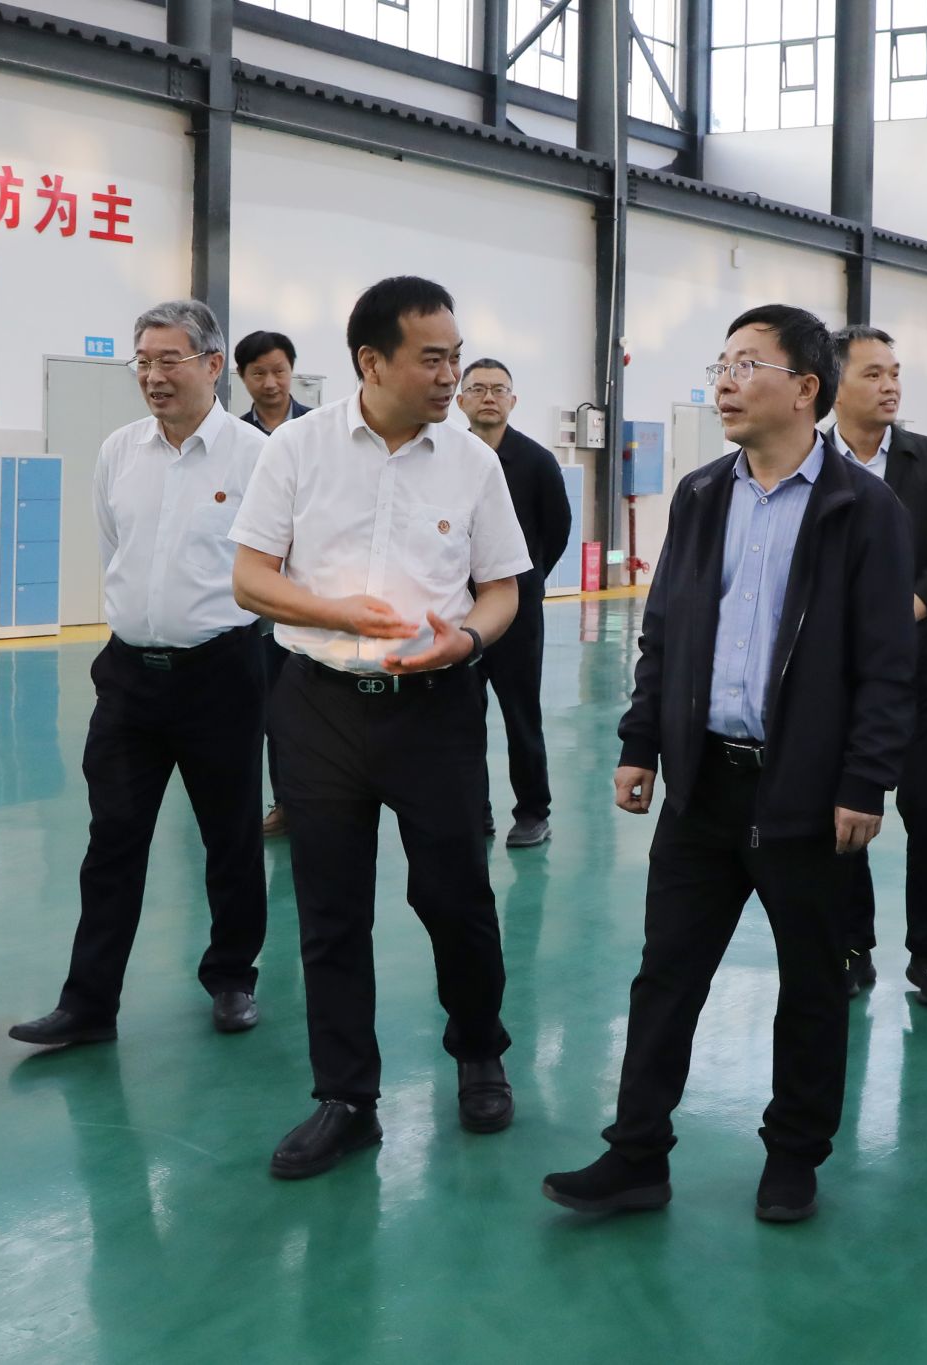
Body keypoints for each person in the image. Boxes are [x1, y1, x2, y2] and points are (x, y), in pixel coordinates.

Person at [541, 306, 917, 1223]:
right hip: (703, 780)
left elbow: (886, 662)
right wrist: (641, 741)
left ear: (806, 388)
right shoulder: (704, 492)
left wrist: (864, 779)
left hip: (808, 790)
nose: (724, 382)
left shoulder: (863, 509)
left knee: (812, 980)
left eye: (748, 364)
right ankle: (637, 1153)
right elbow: (665, 628)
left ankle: (793, 1156)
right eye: (722, 364)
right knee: (666, 972)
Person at [229, 276, 532, 1180]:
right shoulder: (297, 450)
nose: (450, 376)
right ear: (372, 360)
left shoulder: (472, 463)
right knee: (329, 909)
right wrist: (337, 612)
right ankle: (346, 1097)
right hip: (319, 703)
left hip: (434, 709)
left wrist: (466, 639)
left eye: (455, 356)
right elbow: (251, 577)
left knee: (455, 896)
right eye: (432, 358)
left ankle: (479, 1052)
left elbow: (502, 588)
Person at [9, 300, 270, 1049]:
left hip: (221, 673)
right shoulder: (119, 451)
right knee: (113, 841)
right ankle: (89, 1003)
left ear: (212, 366)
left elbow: (279, 566)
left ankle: (232, 977)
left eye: (169, 361)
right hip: (129, 678)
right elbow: (113, 548)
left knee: (230, 837)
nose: (153, 376)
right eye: (143, 362)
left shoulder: (256, 458)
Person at [827, 324, 927, 1008]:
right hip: (835, 676)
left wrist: (915, 601)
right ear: (832, 384)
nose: (890, 386)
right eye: (873, 374)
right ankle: (852, 947)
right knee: (842, 815)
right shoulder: (808, 461)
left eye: (895, 373)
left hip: (916, 671)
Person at [457, 358, 572, 849]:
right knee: (462, 716)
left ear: (513, 400)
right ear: (460, 399)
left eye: (498, 389)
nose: (489, 397)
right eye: (478, 388)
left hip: (518, 616)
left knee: (521, 716)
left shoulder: (536, 462)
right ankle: (475, 809)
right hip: (458, 611)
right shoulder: (448, 457)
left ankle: (532, 813)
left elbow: (557, 529)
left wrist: (528, 582)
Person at [235, 330, 311, 835]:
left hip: (306, 595)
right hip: (254, 600)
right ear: (242, 377)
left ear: (292, 371)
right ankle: (282, 803)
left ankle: (311, 801)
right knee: (263, 712)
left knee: (306, 709)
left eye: (279, 371)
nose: (270, 382)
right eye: (258, 373)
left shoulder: (316, 432)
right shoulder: (233, 437)